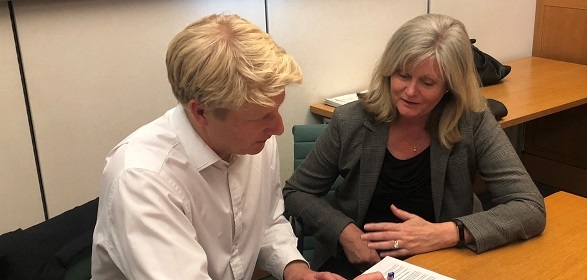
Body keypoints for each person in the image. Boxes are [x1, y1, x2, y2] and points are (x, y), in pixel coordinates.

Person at [91, 13, 383, 280]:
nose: (279, 128)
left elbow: (266, 222)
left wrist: (297, 272)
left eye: (277, 110)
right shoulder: (143, 178)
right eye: (262, 117)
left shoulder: (254, 141)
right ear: (201, 112)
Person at [283, 14, 546, 279]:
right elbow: (296, 192)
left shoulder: (472, 122)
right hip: (359, 263)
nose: (410, 91)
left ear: (449, 87)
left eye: (427, 82)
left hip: (443, 261)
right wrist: (346, 233)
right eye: (403, 75)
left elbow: (528, 207)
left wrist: (444, 233)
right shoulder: (351, 120)